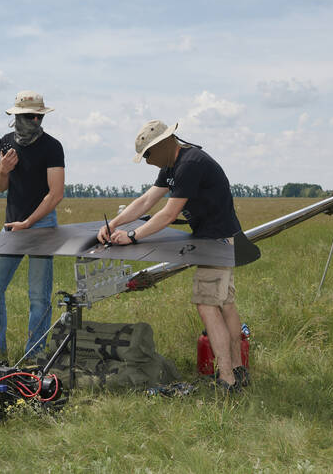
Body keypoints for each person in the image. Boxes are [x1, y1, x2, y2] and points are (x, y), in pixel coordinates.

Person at [97, 120, 249, 392]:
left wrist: (132, 236)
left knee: (207, 304)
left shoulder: (190, 163)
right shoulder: (172, 165)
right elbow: (146, 201)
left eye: (148, 156)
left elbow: (168, 214)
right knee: (225, 304)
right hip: (222, 239)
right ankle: (238, 371)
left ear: (164, 144)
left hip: (216, 242)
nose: (147, 162)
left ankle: (227, 380)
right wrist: (115, 223)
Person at [0, 90, 65, 360]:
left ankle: (35, 355)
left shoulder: (53, 147)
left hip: (41, 226)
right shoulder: (6, 143)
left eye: (39, 116)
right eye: (29, 116)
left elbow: (56, 193)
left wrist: (29, 222)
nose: (35, 121)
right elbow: (0, 187)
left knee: (38, 296)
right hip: (10, 226)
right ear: (15, 116)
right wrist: (2, 169)